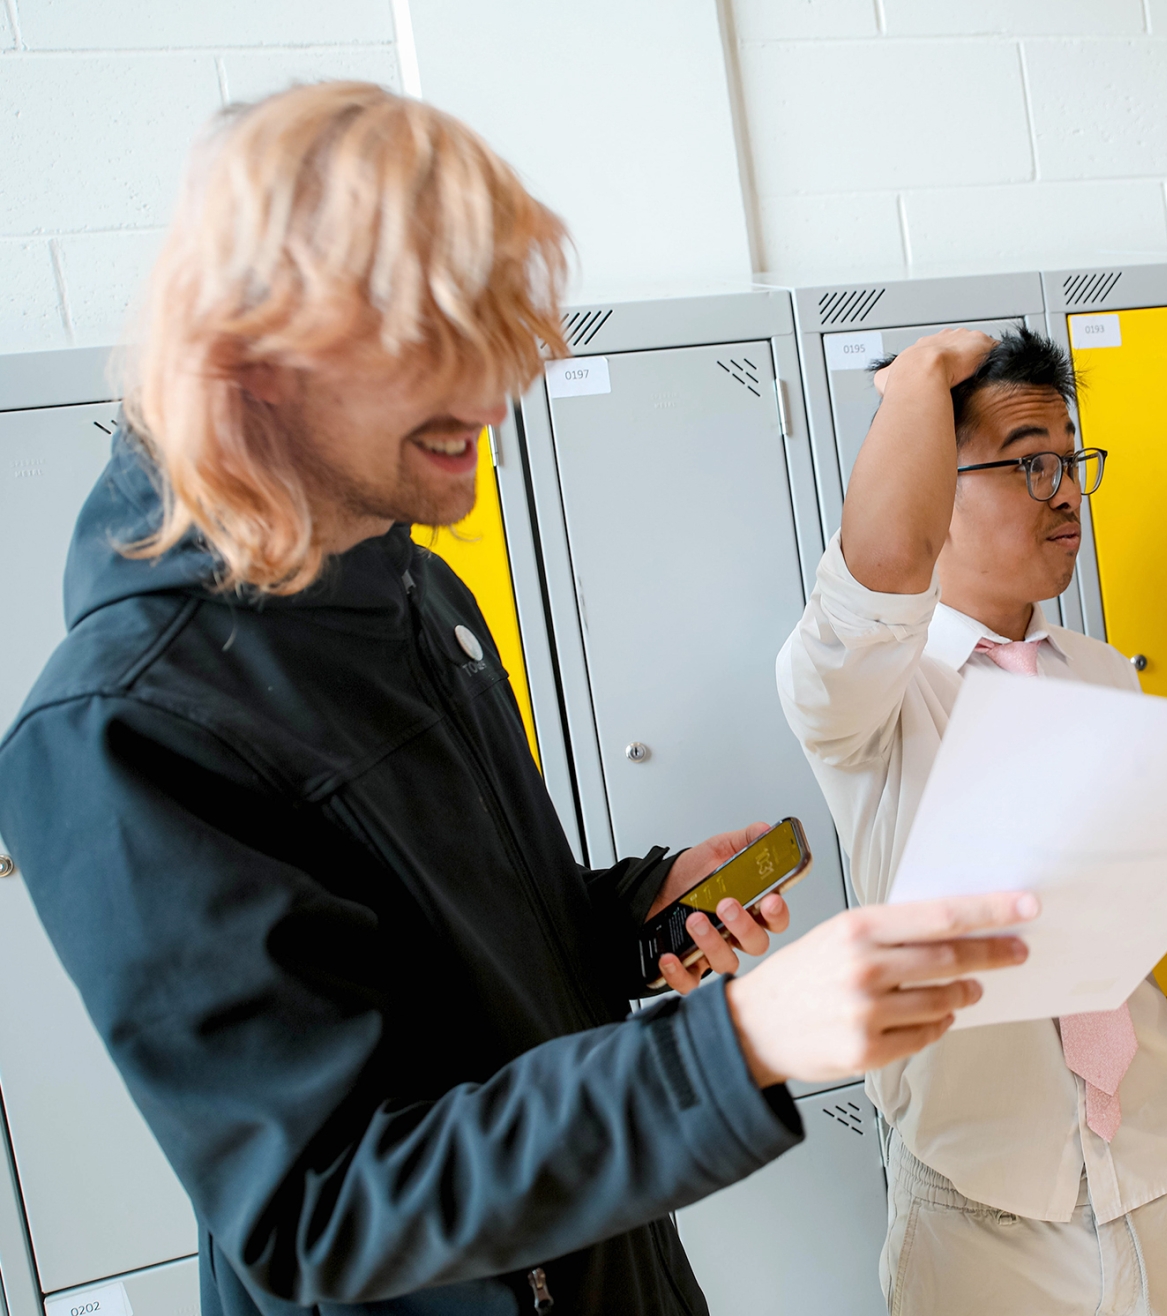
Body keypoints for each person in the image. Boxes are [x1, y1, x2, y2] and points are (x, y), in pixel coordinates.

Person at [0, 83, 1036, 1316]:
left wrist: (629, 918)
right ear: (259, 347)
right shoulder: (122, 726)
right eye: (446, 342)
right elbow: (319, 1209)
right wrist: (743, 1043)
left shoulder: (414, 590)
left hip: (611, 1269)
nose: (501, 392)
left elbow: (470, 969)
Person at [778, 326, 1167, 1315]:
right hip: (985, 1201)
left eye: (1069, 459)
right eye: (1029, 463)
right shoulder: (866, 698)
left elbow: (1118, 904)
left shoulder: (1101, 669)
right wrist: (918, 385)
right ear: (935, 484)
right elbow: (874, 584)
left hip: (1161, 1164)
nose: (1065, 490)